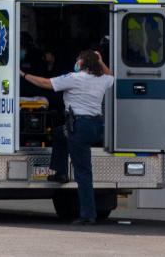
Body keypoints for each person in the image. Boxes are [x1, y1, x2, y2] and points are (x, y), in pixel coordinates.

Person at [20, 49, 115, 224]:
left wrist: (24, 75)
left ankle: (88, 215)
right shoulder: (102, 79)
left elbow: (45, 83)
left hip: (79, 127)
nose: (76, 62)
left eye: (78, 59)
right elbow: (112, 76)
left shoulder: (74, 78)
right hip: (95, 127)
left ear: (83, 63)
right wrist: (101, 61)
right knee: (59, 133)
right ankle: (60, 172)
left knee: (83, 173)